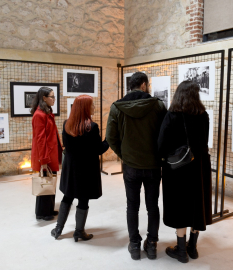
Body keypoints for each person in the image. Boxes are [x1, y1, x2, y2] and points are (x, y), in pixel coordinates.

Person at [106, 72, 167, 260]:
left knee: (132, 206)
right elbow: (165, 135)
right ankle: (152, 244)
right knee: (152, 206)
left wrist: (123, 155)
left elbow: (110, 137)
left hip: (131, 166)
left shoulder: (117, 107)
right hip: (153, 165)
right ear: (143, 85)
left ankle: (134, 245)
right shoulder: (157, 105)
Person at [158, 81, 213, 263]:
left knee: (180, 206)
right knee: (197, 204)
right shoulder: (203, 115)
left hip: (178, 169)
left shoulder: (172, 115)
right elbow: (204, 142)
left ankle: (181, 251)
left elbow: (162, 145)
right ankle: (193, 247)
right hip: (199, 167)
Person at [51, 95, 109, 242]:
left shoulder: (66, 125)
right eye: (92, 105)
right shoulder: (92, 127)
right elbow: (99, 149)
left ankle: (58, 229)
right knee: (83, 199)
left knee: (68, 196)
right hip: (87, 169)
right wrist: (109, 140)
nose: (94, 107)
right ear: (85, 108)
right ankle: (79, 232)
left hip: (71, 168)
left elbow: (68, 147)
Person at [31, 87, 62, 221]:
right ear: (44, 98)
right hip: (45, 155)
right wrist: (43, 160)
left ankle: (48, 209)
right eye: (52, 97)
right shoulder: (39, 115)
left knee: (51, 181)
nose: (54, 99)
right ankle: (42, 213)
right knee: (45, 182)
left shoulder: (47, 112)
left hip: (51, 153)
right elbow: (40, 139)